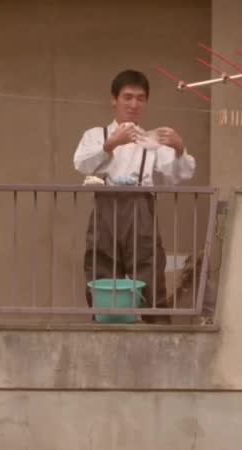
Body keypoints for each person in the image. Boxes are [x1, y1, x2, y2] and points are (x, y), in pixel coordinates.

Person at [73, 69, 196, 323]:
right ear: (114, 99)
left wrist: (179, 148)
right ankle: (105, 328)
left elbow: (179, 174)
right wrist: (111, 144)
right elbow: (81, 164)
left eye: (140, 98)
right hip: (105, 208)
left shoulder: (151, 140)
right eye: (127, 97)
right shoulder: (96, 135)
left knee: (149, 271)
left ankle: (157, 332)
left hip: (141, 209)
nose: (134, 104)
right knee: (101, 269)